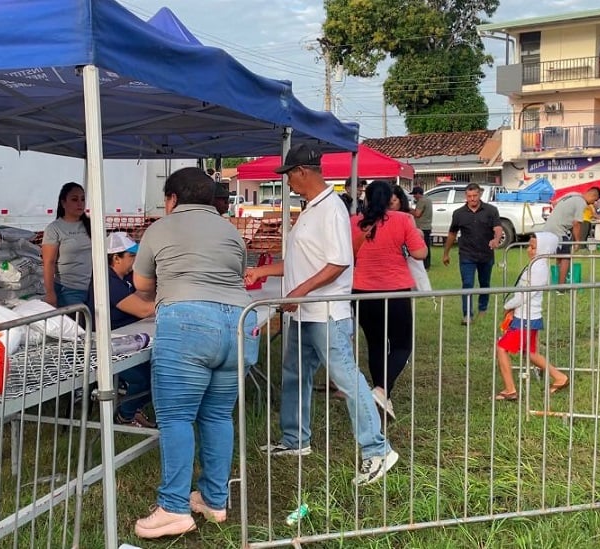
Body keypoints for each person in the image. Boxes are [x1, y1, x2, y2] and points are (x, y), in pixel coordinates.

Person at [244, 144, 398, 484]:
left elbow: (339, 262)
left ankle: (377, 450)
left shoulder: (330, 209)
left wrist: (299, 292)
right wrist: (263, 274)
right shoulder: (312, 208)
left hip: (327, 312)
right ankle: (295, 440)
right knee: (294, 376)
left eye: (289, 176)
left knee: (347, 379)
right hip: (305, 314)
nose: (287, 184)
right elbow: (305, 261)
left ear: (302, 171)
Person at [131, 167, 258, 539]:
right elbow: (236, 275)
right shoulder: (231, 231)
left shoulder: (160, 229)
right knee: (218, 416)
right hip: (240, 324)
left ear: (172, 199)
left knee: (176, 418)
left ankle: (173, 508)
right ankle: (214, 500)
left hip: (187, 324)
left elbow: (141, 284)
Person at [351, 181, 427, 420]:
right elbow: (420, 253)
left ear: (367, 199)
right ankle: (382, 390)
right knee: (402, 344)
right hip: (395, 291)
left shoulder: (354, 223)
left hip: (362, 291)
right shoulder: (402, 220)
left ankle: (382, 396)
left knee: (375, 344)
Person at [85, 231, 156, 428]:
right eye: (131, 256)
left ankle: (133, 410)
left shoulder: (123, 277)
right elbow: (143, 309)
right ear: (115, 258)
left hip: (126, 338)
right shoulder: (108, 281)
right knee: (147, 379)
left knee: (156, 372)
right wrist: (172, 299)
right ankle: (125, 415)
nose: (135, 261)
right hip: (110, 345)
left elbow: (143, 300)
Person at [495, 233, 569, 400]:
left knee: (501, 348)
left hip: (526, 318)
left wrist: (507, 307)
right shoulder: (536, 265)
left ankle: (510, 389)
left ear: (543, 249)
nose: (529, 250)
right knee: (531, 353)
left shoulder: (538, 268)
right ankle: (559, 377)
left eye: (533, 247)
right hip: (529, 317)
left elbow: (524, 295)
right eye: (529, 246)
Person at [442, 183, 503, 325]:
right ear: (466, 196)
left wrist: (496, 239)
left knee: (484, 283)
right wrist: (446, 253)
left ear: (480, 194)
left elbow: (498, 228)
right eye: (469, 196)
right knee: (467, 283)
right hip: (466, 255)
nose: (472, 199)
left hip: (485, 254)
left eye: (475, 196)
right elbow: (452, 233)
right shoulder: (458, 213)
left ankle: (483, 308)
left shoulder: (491, 210)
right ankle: (467, 315)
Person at [42, 182, 92, 307]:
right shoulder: (54, 229)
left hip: (93, 288)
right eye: (74, 199)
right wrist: (50, 292)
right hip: (68, 290)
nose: (80, 203)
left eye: (82, 199)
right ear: (63, 203)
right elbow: (49, 262)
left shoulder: (92, 225)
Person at [540, 188, 600, 284]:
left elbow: (555, 203)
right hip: (559, 229)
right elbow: (576, 223)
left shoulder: (572, 194)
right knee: (566, 257)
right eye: (594, 200)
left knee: (559, 256)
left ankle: (557, 282)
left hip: (548, 227)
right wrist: (577, 241)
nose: (592, 203)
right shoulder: (581, 203)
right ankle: (561, 287)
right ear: (593, 196)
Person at [410, 186, 433, 269]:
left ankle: (425, 265)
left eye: (414, 195)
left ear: (418, 194)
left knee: (422, 246)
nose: (414, 196)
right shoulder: (428, 200)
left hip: (422, 227)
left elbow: (417, 214)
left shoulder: (421, 201)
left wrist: (408, 209)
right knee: (427, 246)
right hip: (427, 226)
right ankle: (427, 264)